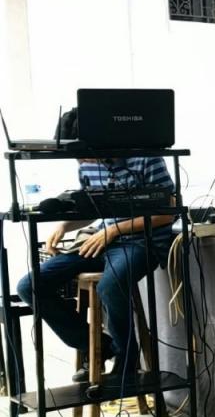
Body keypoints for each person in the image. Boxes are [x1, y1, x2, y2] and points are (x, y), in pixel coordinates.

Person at [18, 135, 176, 389]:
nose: (82, 162)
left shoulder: (147, 159)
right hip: (101, 241)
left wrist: (113, 230)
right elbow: (94, 210)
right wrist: (64, 226)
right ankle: (98, 346)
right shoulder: (86, 166)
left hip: (141, 244)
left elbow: (166, 214)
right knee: (30, 286)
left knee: (110, 287)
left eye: (84, 154)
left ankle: (127, 361)